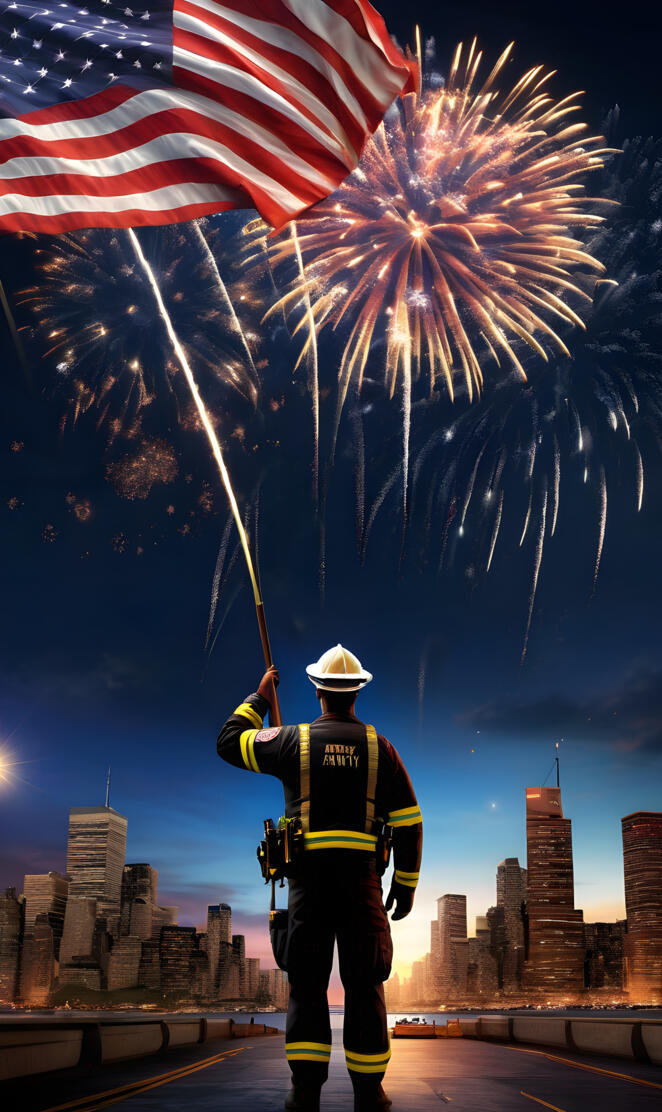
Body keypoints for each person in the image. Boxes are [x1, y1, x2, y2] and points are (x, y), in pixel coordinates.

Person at [217, 644, 423, 1112]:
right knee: (365, 987)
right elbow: (410, 821)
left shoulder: (293, 741)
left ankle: (304, 1091)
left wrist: (260, 696)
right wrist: (405, 885)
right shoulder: (381, 749)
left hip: (308, 888)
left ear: (317, 691)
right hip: (363, 887)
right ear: (357, 692)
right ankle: (370, 1094)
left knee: (307, 988)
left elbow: (230, 741)